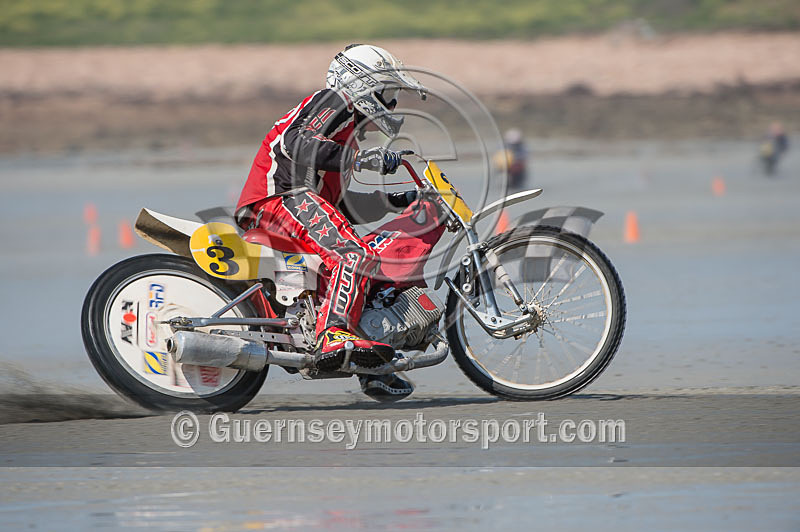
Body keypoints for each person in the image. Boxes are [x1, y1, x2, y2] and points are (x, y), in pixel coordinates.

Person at [235, 44, 426, 399]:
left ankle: (372, 366)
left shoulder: (344, 137)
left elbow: (339, 208)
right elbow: (298, 143)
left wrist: (395, 199)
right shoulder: (334, 101)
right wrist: (363, 158)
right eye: (387, 92)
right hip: (281, 197)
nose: (393, 103)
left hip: (296, 205)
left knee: (368, 268)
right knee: (354, 255)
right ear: (361, 83)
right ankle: (333, 335)